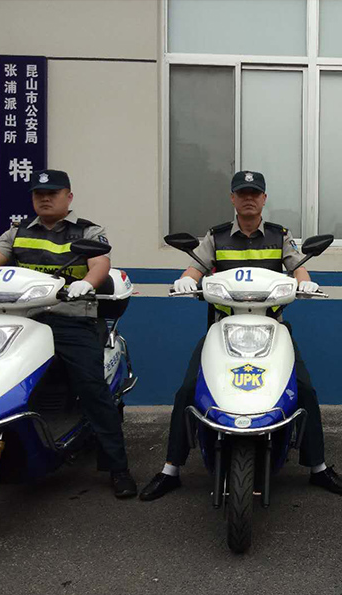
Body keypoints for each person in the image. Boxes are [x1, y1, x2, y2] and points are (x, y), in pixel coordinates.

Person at [140, 170, 342, 501]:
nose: (249, 198)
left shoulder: (279, 236)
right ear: (232, 198)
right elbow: (195, 266)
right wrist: (187, 279)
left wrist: (305, 282)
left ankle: (318, 467)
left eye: (255, 193)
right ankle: (170, 469)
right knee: (188, 389)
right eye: (242, 193)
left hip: (272, 326)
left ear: (264, 199)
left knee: (304, 389)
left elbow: (298, 266)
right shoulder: (216, 236)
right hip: (224, 326)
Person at [0, 169, 137, 499]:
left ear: (68, 197)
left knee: (91, 387)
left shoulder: (87, 230)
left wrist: (86, 283)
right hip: (21, 319)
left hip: (71, 319)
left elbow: (100, 263)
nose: (45, 199)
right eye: (38, 194)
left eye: (53, 193)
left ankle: (117, 467)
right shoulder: (18, 232)